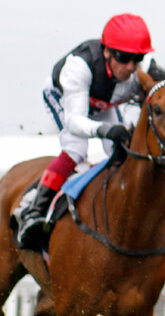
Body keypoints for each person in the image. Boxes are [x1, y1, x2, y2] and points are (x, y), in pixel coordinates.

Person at [14, 13, 153, 249]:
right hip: (66, 99)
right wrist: (106, 129)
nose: (131, 67)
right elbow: (75, 123)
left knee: (122, 152)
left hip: (102, 102)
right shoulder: (79, 67)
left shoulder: (140, 70)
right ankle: (34, 208)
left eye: (137, 59)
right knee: (76, 150)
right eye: (124, 57)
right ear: (107, 52)